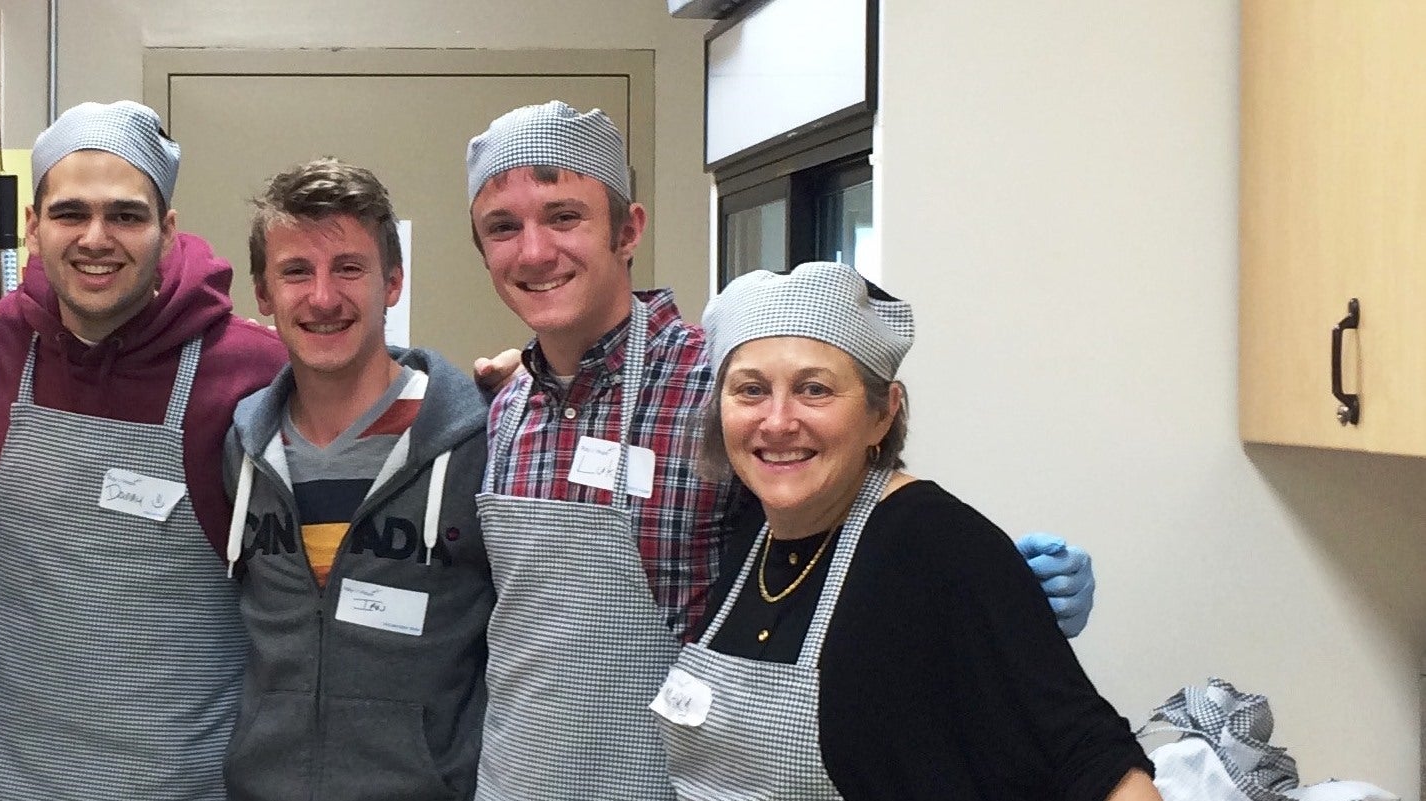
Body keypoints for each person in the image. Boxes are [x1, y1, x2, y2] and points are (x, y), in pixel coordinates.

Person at [457, 101, 1096, 800]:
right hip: (515, 780)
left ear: (628, 228)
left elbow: (866, 516)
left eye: (563, 216)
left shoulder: (725, 386)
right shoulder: (503, 407)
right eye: (502, 227)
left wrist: (995, 597)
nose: (534, 251)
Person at [657, 261, 1157, 801]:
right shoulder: (753, 528)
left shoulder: (936, 545)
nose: (777, 421)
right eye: (750, 390)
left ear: (882, 414)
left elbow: (1102, 769)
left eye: (815, 390)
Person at [0, 100, 286, 800]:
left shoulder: (252, 371)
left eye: (125, 215)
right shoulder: (7, 341)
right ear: (33, 228)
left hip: (169, 778)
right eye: (71, 213)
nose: (96, 237)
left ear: (166, 230)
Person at [218, 159, 491, 801]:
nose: (322, 297)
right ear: (262, 294)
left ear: (391, 282)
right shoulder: (242, 450)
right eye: (295, 272)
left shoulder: (477, 443)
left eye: (349, 267)